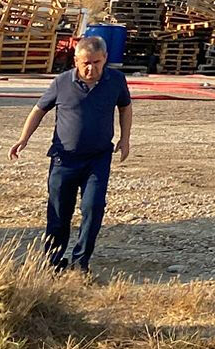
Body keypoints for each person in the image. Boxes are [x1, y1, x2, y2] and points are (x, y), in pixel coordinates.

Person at [9, 34, 133, 272]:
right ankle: (53, 263)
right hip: (63, 159)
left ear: (105, 58)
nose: (91, 68)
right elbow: (38, 110)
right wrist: (23, 138)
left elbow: (125, 107)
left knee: (93, 207)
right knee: (58, 212)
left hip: (97, 159)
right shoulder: (62, 82)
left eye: (96, 62)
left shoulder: (116, 80)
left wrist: (125, 139)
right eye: (86, 62)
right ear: (76, 60)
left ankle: (80, 262)